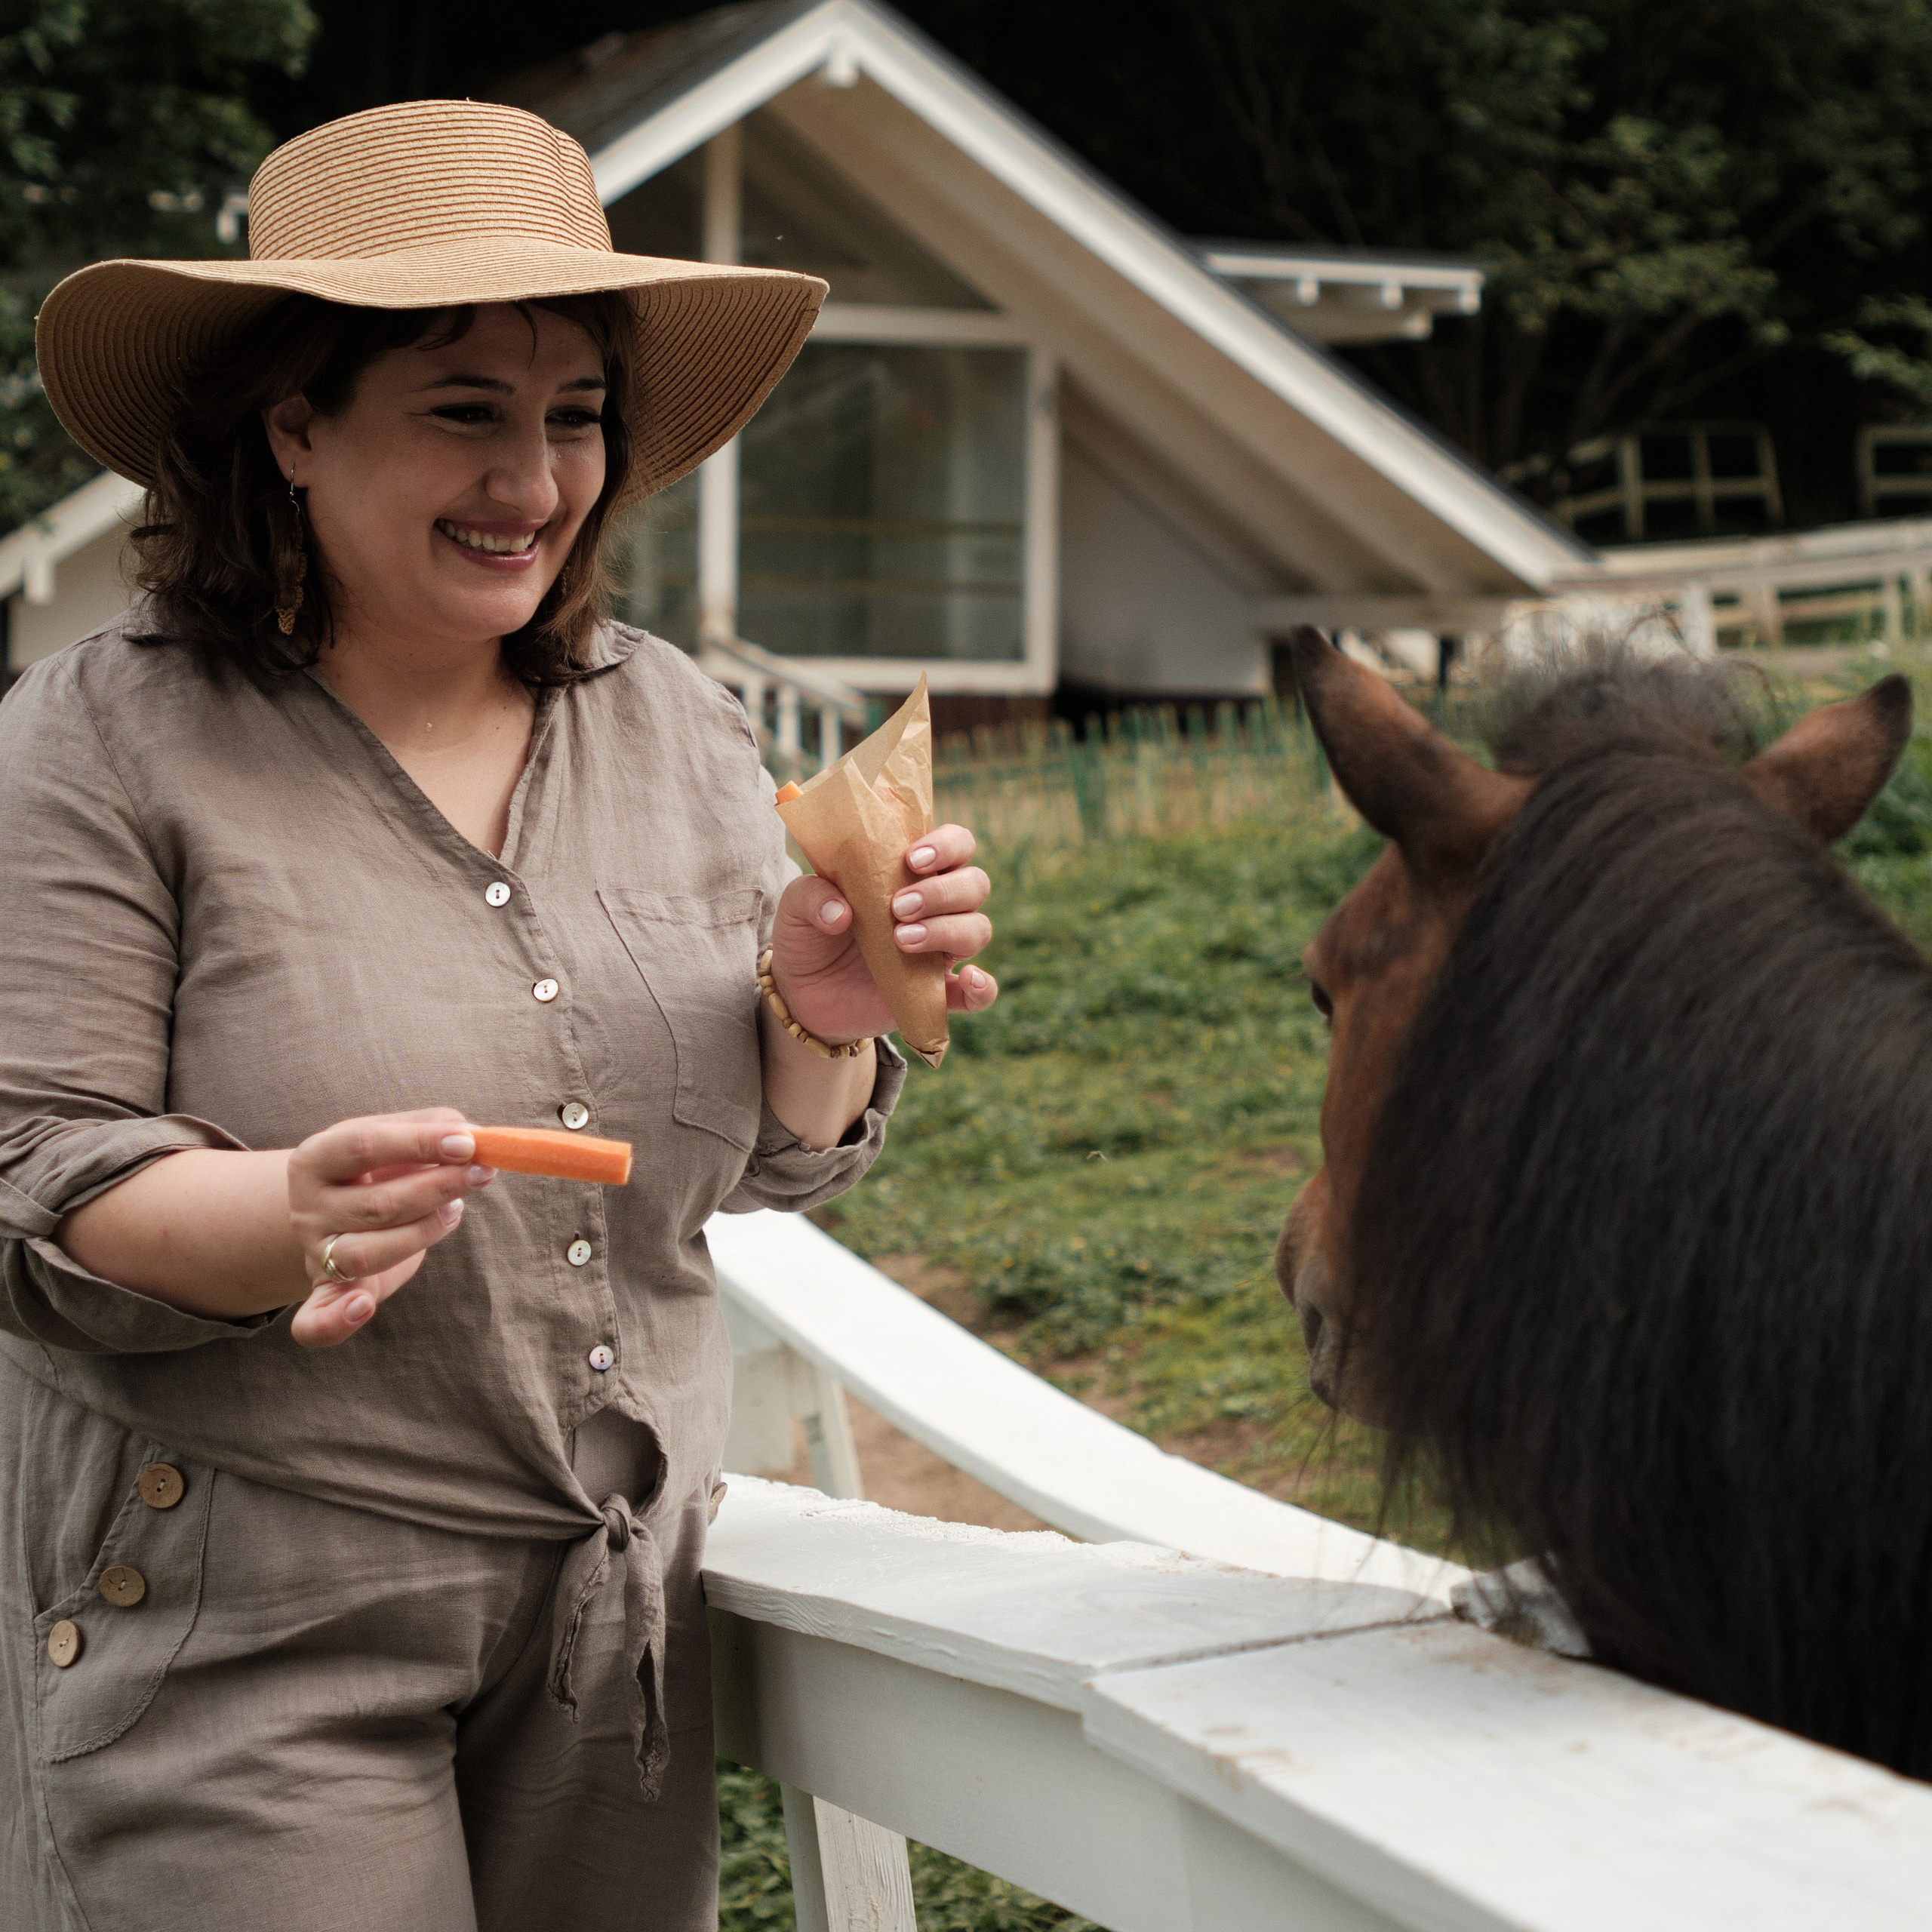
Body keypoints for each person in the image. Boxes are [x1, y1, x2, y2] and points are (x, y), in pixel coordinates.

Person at [0, 100, 996, 1932]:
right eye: (462, 407)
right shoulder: (97, 735)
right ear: (293, 423)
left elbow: (771, 1158)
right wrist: (282, 1216)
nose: (534, 479)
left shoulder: (679, 722)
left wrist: (823, 1010)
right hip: (248, 1628)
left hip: (621, 1646)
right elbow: (38, 1181)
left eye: (573, 413)